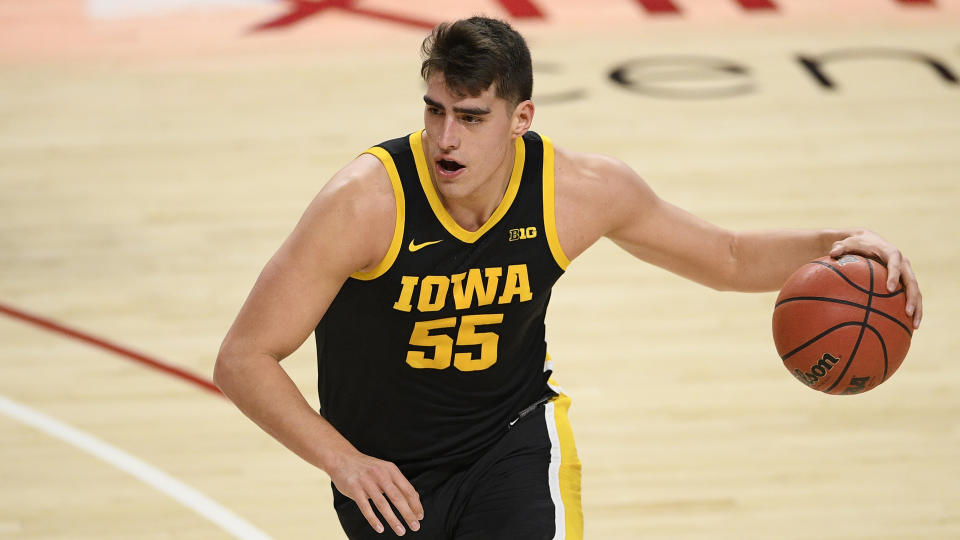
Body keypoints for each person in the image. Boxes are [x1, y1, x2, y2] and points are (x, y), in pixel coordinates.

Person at [213, 16, 922, 540]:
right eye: (434, 111)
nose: (445, 138)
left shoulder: (577, 191)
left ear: (520, 118)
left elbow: (727, 256)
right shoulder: (365, 203)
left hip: (512, 440)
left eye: (470, 117)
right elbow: (243, 358)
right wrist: (346, 463)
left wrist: (839, 242)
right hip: (389, 477)